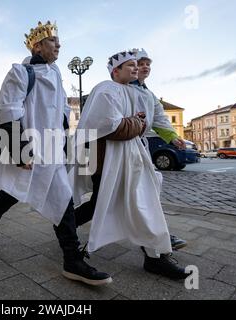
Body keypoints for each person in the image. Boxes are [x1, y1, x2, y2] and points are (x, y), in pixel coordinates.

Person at [0, 21, 112, 286]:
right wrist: (18, 150)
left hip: (51, 150)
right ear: (38, 45)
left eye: (59, 42)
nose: (59, 45)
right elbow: (7, 110)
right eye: (53, 41)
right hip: (29, 147)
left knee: (63, 198)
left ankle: (72, 260)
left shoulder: (57, 74)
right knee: (12, 192)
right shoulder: (20, 72)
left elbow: (62, 112)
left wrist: (63, 147)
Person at [72, 50, 190, 280]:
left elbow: (155, 118)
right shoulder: (107, 88)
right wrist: (137, 122)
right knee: (107, 202)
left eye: (143, 64)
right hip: (108, 156)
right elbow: (112, 126)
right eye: (134, 65)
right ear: (117, 70)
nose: (139, 68)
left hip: (133, 154)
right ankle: (66, 229)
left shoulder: (143, 93)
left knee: (143, 201)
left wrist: (168, 135)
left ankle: (155, 255)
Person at [129, 49, 187, 250]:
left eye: (148, 64)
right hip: (123, 148)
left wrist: (173, 137)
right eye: (141, 63)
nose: (145, 67)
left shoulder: (149, 94)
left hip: (138, 147)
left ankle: (156, 240)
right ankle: (69, 225)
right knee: (110, 197)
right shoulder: (122, 88)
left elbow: (160, 119)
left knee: (146, 190)